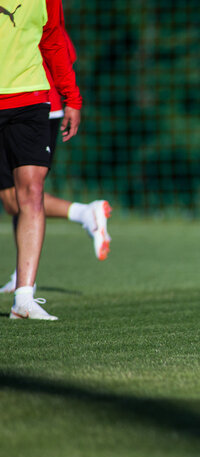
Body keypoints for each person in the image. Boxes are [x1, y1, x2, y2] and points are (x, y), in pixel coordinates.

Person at [1, 25, 111, 295]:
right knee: (19, 196)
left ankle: (84, 212)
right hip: (22, 103)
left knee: (18, 196)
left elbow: (60, 47)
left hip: (35, 104)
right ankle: (22, 275)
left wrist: (71, 97)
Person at [0, 0, 82, 320]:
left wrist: (71, 96)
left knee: (31, 192)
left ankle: (24, 298)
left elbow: (52, 40)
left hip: (31, 98)